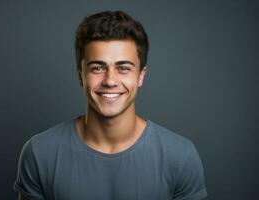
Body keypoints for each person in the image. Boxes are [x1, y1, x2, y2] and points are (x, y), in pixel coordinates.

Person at [13, 10, 207, 200]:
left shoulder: (181, 157)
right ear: (81, 75)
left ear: (141, 76)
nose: (110, 80)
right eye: (97, 68)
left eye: (123, 68)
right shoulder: (39, 153)